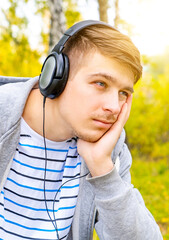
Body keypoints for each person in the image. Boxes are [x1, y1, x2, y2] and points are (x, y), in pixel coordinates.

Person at [0, 20, 162, 240]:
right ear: (57, 77)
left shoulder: (109, 148)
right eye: (101, 83)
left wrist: (103, 171)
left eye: (123, 93)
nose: (114, 107)